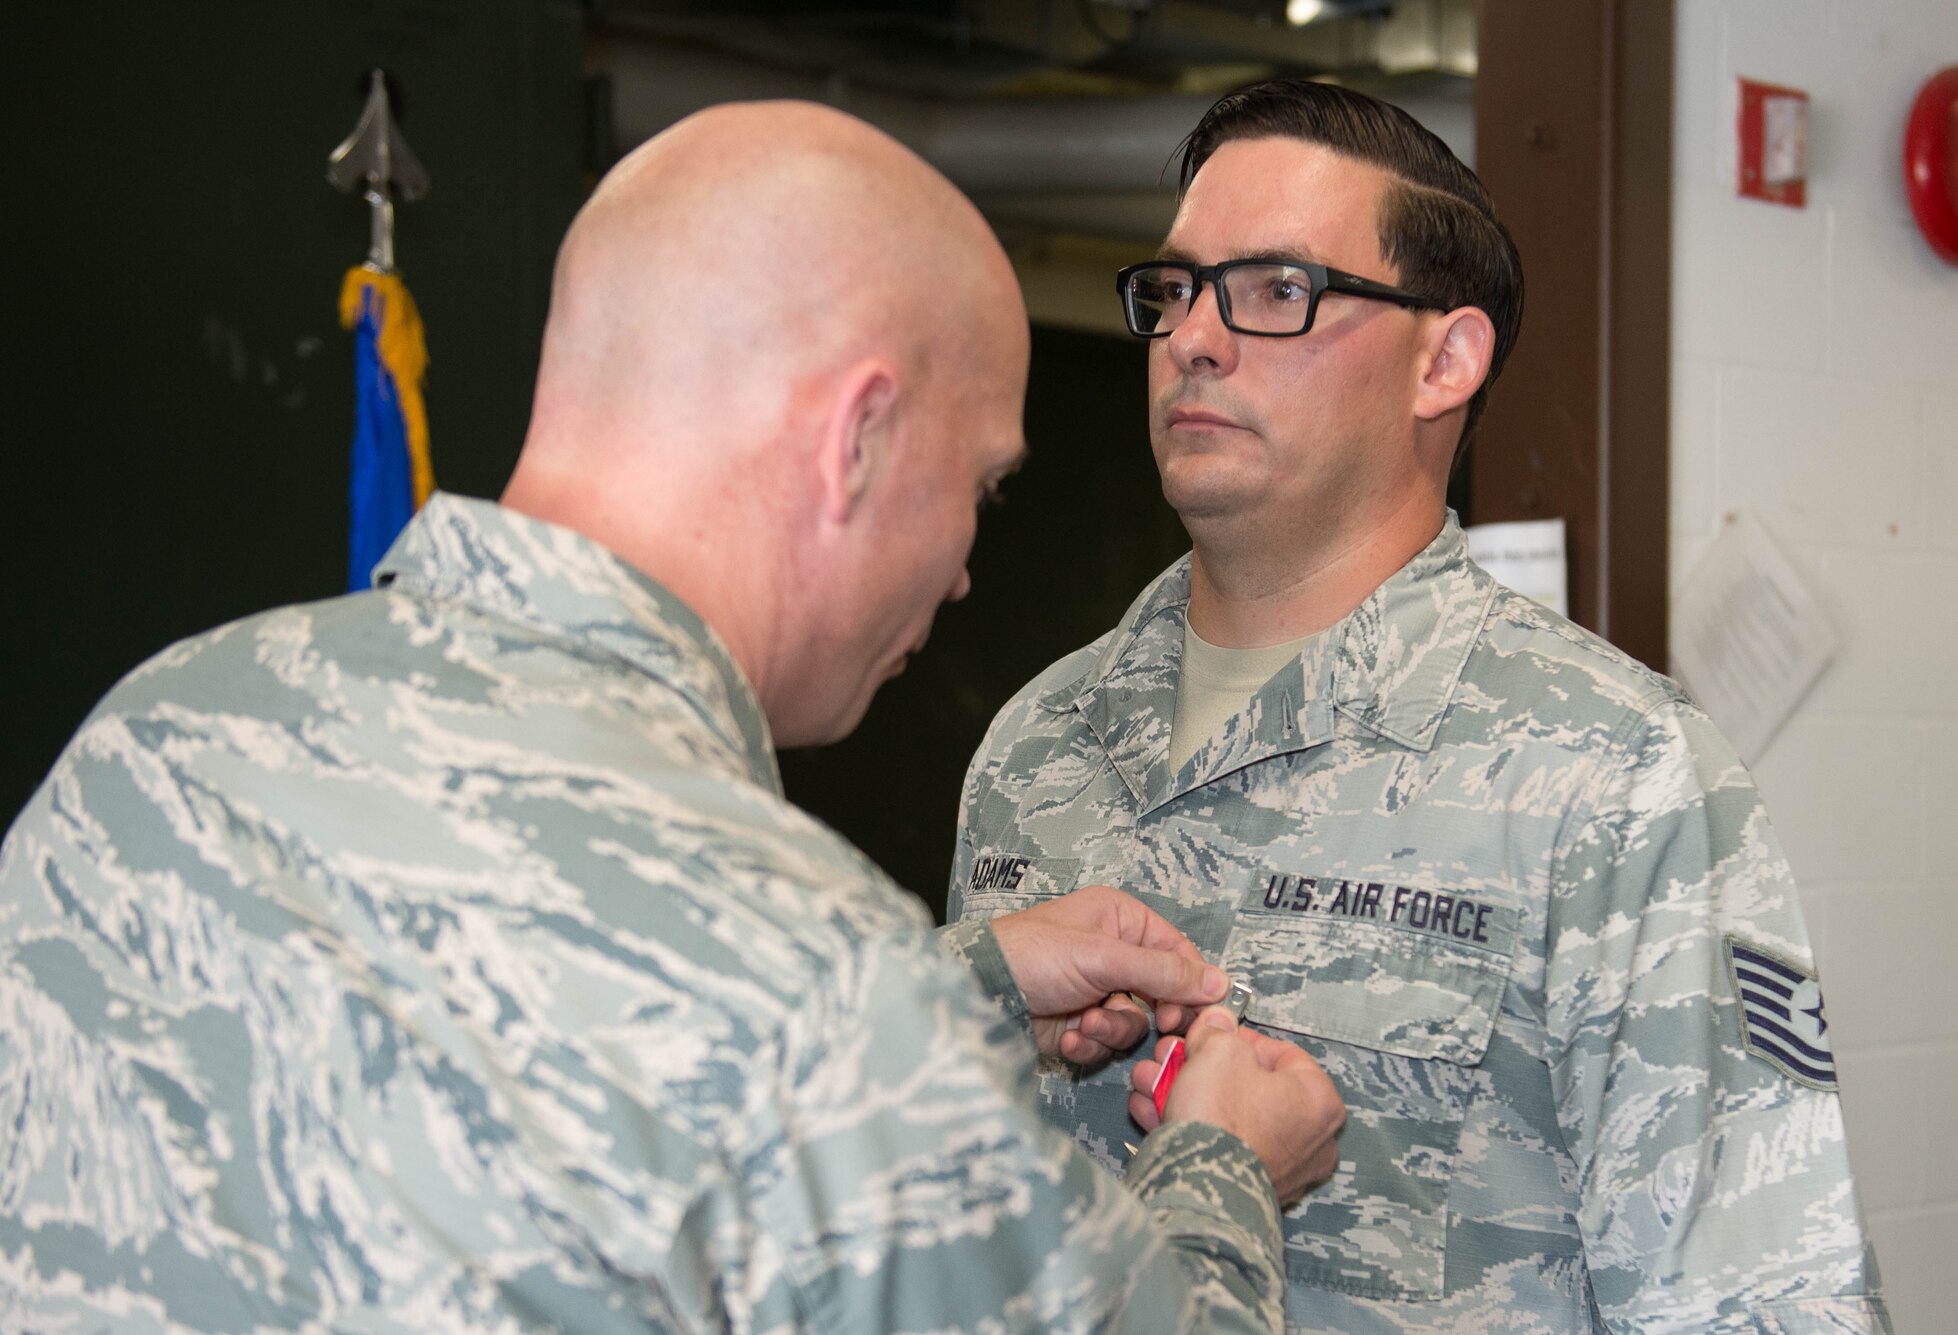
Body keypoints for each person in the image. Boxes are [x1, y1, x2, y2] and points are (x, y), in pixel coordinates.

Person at [0, 101, 1347, 1332]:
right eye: (980, 485)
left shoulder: (156, 732)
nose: (964, 567)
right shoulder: (820, 988)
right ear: (856, 439)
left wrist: (970, 988)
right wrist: (1222, 1172)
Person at [949, 80, 1891, 1332]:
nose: (1193, 339)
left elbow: (1760, 1302)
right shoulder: (1035, 745)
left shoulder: (1608, 776)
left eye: (1276, 289)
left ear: (1442, 361)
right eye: (1173, 290)